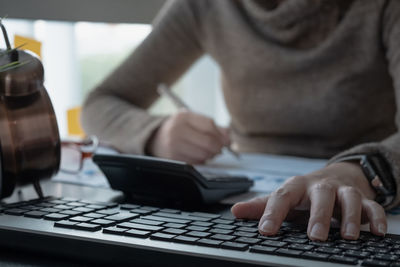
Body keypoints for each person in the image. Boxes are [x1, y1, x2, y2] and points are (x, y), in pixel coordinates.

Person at [82, 0, 400, 241]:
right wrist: (157, 134)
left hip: (366, 197)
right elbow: (100, 103)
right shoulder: (208, 6)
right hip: (249, 198)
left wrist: (359, 171)